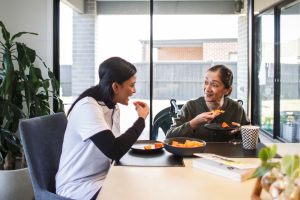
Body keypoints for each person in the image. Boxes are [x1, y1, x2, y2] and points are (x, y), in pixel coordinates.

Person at [55, 57, 149, 200]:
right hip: (77, 186)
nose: (134, 90)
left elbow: (116, 144)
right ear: (116, 87)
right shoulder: (87, 107)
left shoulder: (114, 107)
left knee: (145, 187)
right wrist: (141, 120)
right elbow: (114, 150)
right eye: (131, 85)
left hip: (104, 177)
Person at [166, 64, 250, 142]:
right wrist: (194, 123)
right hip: (195, 156)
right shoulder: (191, 107)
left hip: (227, 157)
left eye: (214, 85)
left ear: (227, 90)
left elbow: (255, 142)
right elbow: (169, 137)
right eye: (206, 83)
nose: (207, 89)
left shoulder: (236, 108)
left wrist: (242, 132)